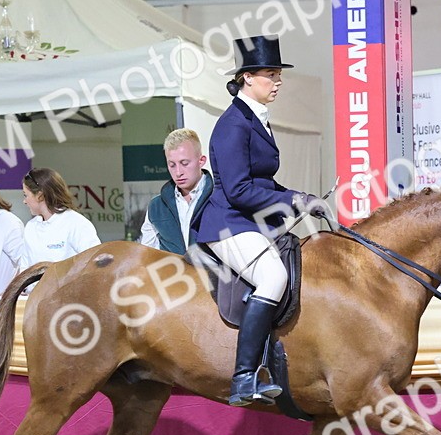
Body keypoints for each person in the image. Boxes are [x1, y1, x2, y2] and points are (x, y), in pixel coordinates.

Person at [192, 34, 324, 407]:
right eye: (271, 74)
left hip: (249, 220)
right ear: (248, 77)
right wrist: (293, 200)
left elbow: (263, 182)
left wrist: (301, 197)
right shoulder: (234, 124)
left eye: (279, 74)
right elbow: (237, 190)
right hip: (228, 221)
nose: (278, 81)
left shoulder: (256, 119)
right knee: (273, 277)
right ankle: (244, 376)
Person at [139, 128, 214, 254]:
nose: (178, 172)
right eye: (172, 165)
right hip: (171, 273)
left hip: (214, 273)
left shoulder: (220, 198)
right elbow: (148, 255)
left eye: (184, 163)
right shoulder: (156, 206)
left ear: (201, 161)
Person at [21, 167, 102, 265]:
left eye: (26, 195)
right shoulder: (31, 227)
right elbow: (25, 268)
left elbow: (96, 263)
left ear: (40, 195)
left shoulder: (76, 223)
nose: (24, 201)